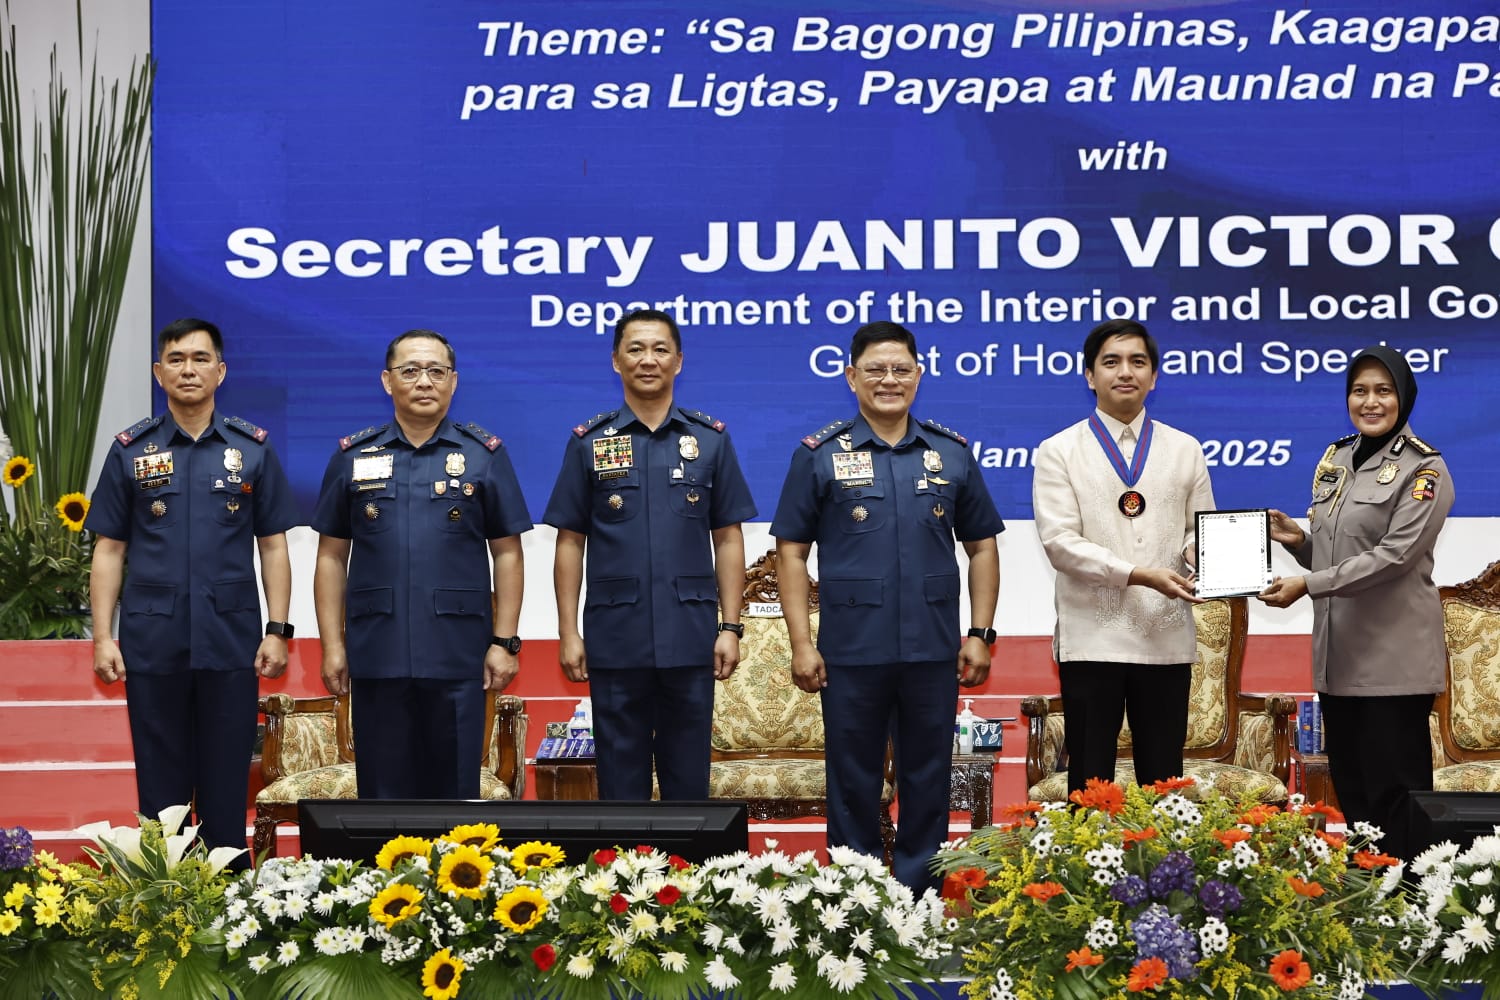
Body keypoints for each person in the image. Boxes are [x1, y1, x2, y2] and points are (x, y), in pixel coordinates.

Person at [770, 320, 1002, 892]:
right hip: (851, 651)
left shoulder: (950, 454)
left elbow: (983, 547)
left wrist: (980, 632)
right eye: (875, 369)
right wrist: (802, 643)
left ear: (919, 376)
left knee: (929, 776)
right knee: (852, 779)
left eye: (901, 369)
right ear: (852, 377)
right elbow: (791, 554)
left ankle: (920, 897)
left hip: (931, 650)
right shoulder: (819, 456)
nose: (889, 380)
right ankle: (859, 899)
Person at [87, 318, 298, 862]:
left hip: (230, 638)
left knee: (227, 778)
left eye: (201, 359)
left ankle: (228, 904)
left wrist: (278, 630)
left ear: (220, 371)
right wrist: (102, 638)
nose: (188, 369)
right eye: (177, 359)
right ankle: (168, 900)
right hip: (151, 640)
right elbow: (109, 550)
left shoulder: (252, 449)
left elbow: (273, 545)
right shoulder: (131, 450)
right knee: (160, 783)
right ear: (159, 372)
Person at [543, 308, 757, 801]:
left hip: (691, 633)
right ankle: (621, 877)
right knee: (620, 780)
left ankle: (689, 878)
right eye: (635, 349)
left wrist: (729, 626)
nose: (648, 359)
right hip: (615, 635)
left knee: (688, 779)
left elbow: (728, 537)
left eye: (660, 349)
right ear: (616, 361)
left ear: (679, 361)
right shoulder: (590, 442)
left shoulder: (709, 441)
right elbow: (570, 542)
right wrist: (569, 632)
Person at [311, 329, 530, 799]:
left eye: (436, 371)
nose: (424, 381)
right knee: (382, 796)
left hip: (457, 652)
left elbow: (507, 552)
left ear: (453, 382)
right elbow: (331, 556)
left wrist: (505, 641)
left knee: (455, 795)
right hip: (377, 652)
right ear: (388, 381)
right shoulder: (354, 455)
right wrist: (332, 645)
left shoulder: (482, 455)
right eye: (410, 370)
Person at [1258, 345, 1452, 860]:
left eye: (1383, 391)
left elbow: (1393, 558)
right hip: (1339, 662)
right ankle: (1369, 911)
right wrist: (1297, 540)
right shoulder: (1336, 459)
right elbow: (1335, 552)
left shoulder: (1424, 470)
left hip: (1394, 665)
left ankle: (1411, 913)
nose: (1370, 402)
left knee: (1398, 801)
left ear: (1403, 397)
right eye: (1360, 391)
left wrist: (1309, 585)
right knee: (1356, 799)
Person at [1032, 319, 1214, 796]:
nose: (1125, 372)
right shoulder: (1059, 451)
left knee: (1164, 782)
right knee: (1090, 783)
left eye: (1138, 362)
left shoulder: (1185, 449)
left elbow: (1199, 532)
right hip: (1092, 640)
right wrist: (1136, 574)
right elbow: (1060, 542)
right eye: (1111, 362)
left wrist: (1210, 559)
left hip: (1165, 637)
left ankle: (1166, 872)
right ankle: (1086, 872)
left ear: (1154, 375)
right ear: (1090, 375)